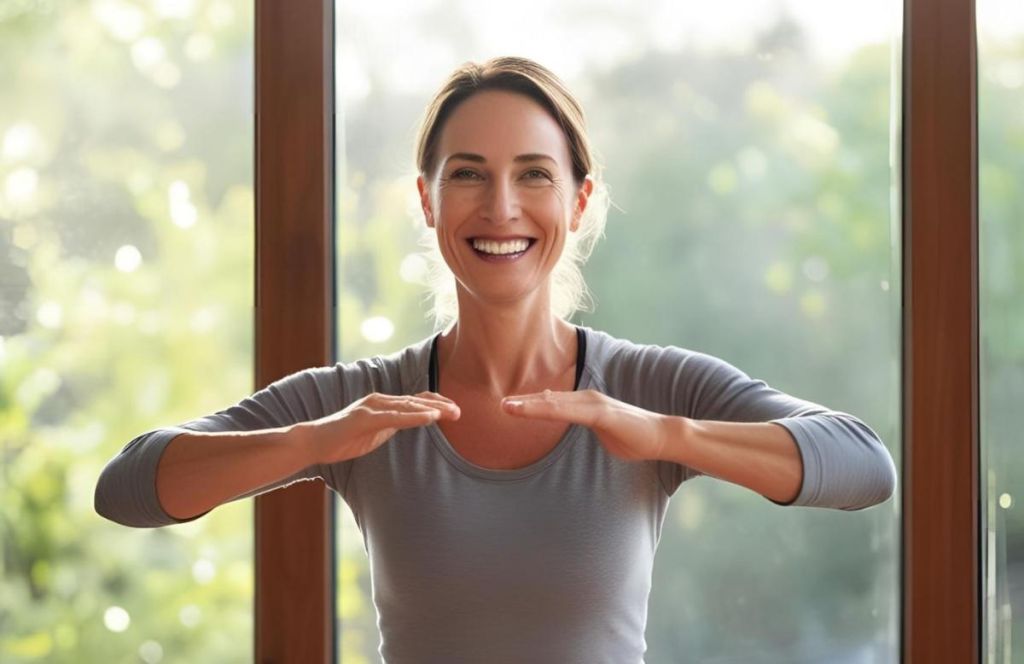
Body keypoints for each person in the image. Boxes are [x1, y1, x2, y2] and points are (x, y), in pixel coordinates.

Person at [95, 56, 897, 663]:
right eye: (468, 175)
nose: (501, 207)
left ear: (579, 202)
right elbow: (129, 487)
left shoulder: (651, 391)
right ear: (427, 200)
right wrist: (311, 444)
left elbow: (863, 465)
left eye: (534, 176)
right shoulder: (365, 404)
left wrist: (666, 437)